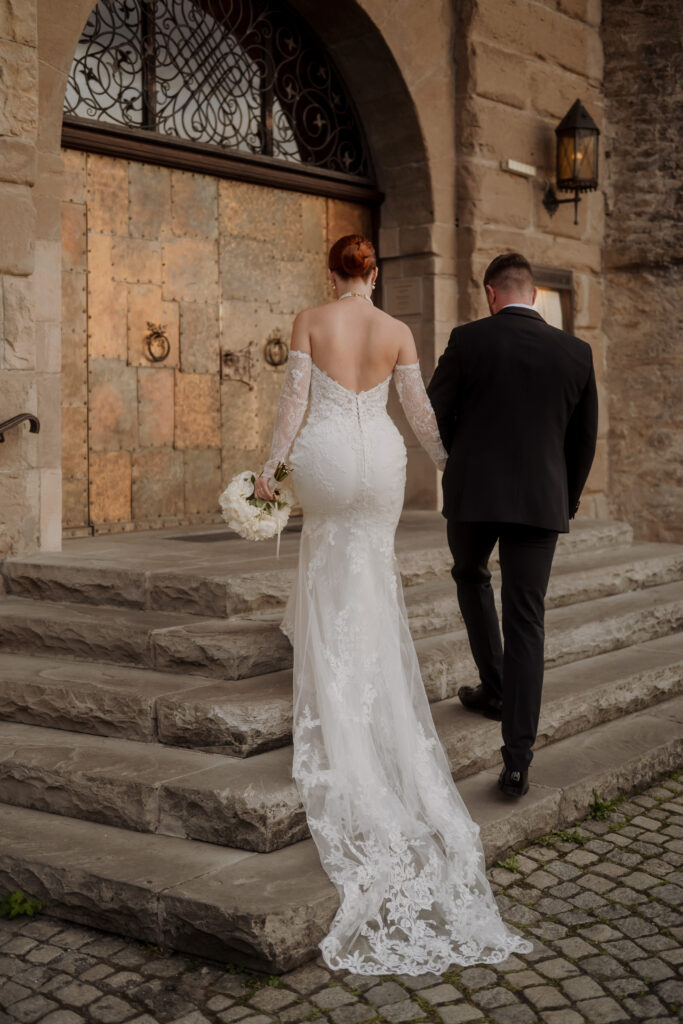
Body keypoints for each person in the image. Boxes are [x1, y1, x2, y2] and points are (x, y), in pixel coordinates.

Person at [254, 235, 531, 975]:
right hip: (378, 457)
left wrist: (267, 471)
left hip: (322, 456)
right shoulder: (400, 331)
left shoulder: (309, 317)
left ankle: (329, 667)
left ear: (330, 271)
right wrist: (449, 468)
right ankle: (368, 670)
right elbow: (418, 412)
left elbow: (294, 404)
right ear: (372, 272)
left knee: (327, 558)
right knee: (369, 567)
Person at [427, 252, 599, 799]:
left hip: (474, 496)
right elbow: (583, 438)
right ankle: (517, 758)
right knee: (527, 619)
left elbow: (436, 411)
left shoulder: (467, 339)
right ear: (534, 295)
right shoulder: (575, 352)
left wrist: (467, 460)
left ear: (491, 293)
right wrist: (563, 500)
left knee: (471, 576)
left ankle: (497, 686)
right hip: (540, 502)